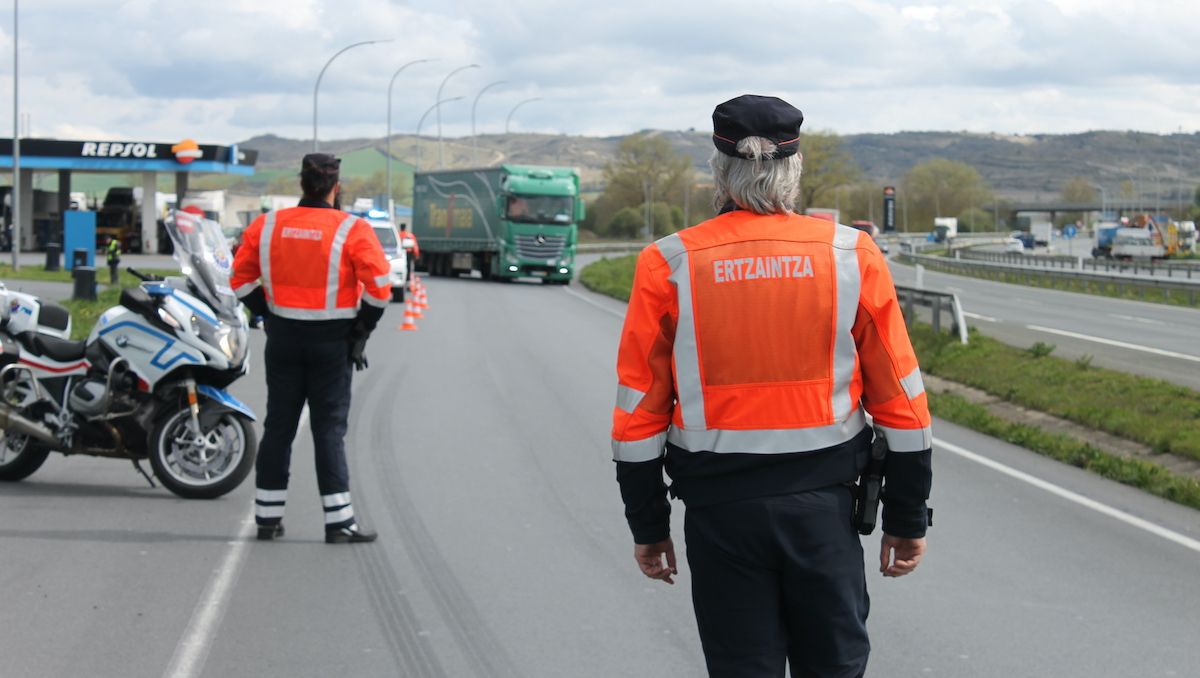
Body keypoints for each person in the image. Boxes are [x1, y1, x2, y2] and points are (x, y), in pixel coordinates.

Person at [611, 94, 933, 677]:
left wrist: (649, 526)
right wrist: (907, 518)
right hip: (824, 512)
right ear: (794, 168)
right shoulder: (850, 255)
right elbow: (901, 402)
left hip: (720, 518)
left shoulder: (669, 262)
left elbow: (638, 416)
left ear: (719, 169)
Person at [231, 152, 392, 544]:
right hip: (332, 343)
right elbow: (380, 290)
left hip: (283, 339)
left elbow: (239, 280)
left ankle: (267, 519)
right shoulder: (352, 229)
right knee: (328, 429)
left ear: (301, 183)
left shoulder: (267, 225)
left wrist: (267, 313)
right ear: (336, 187)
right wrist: (362, 329)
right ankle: (339, 523)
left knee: (279, 426)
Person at [398, 223, 419, 287]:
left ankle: (403, 279)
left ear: (400, 227)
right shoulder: (409, 235)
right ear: (405, 228)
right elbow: (415, 245)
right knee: (408, 267)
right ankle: (407, 280)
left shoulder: (397, 234)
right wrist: (416, 254)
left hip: (398, 253)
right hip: (408, 253)